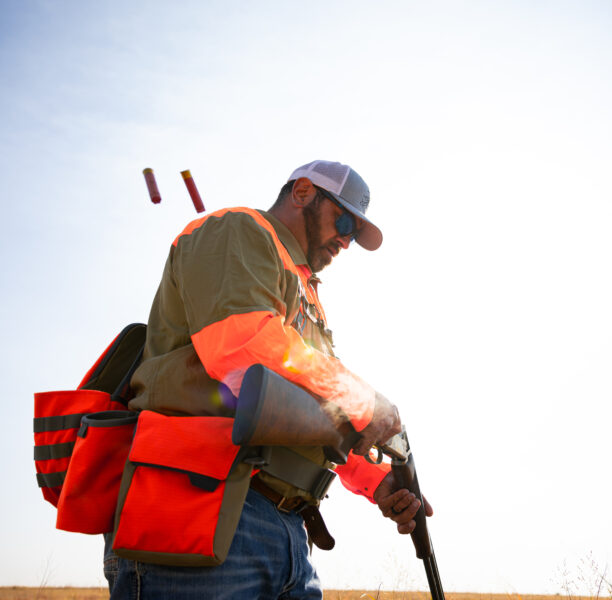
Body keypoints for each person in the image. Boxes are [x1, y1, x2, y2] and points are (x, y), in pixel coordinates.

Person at [104, 160, 433, 599]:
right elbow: (242, 349)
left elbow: (313, 411)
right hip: (206, 508)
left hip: (289, 532)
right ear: (301, 193)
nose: (347, 240)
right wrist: (364, 400)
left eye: (353, 232)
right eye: (345, 220)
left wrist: (379, 482)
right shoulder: (236, 230)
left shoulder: (306, 292)